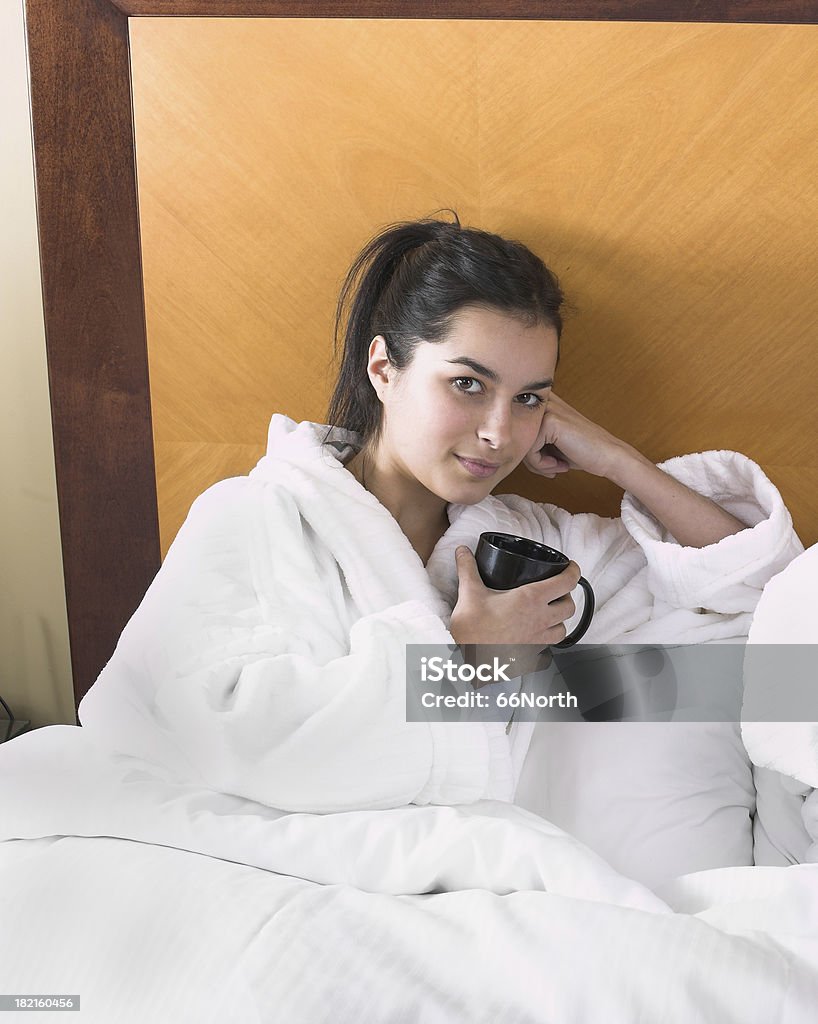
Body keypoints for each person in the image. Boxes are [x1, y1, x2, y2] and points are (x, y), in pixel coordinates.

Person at [78, 211, 803, 814]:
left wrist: (617, 459)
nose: (499, 432)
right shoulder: (253, 516)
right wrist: (462, 661)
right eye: (467, 384)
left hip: (503, 879)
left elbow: (759, 598)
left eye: (528, 399)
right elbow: (205, 734)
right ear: (383, 368)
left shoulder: (526, 542)